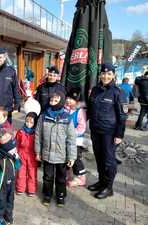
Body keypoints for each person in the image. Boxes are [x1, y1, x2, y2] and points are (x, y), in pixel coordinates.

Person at [87, 63, 128, 199]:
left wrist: (119, 134)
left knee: (109, 161)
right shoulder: (95, 90)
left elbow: (122, 116)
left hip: (109, 133)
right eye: (103, 74)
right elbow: (90, 108)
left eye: (109, 74)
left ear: (113, 75)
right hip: (95, 130)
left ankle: (108, 187)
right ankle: (101, 182)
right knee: (99, 158)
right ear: (100, 75)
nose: (105, 76)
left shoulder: (118, 92)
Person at [35, 91, 77, 207]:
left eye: (56, 101)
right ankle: (47, 194)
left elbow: (71, 139)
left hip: (61, 156)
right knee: (47, 176)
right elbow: (38, 135)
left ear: (62, 101)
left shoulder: (67, 118)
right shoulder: (43, 117)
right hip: (47, 154)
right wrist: (37, 152)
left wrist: (72, 157)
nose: (53, 103)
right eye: (51, 100)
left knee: (61, 177)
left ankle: (61, 195)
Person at [0, 127, 21, 225]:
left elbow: (18, 166)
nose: (14, 150)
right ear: (6, 150)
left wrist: (17, 158)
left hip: (11, 184)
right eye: (12, 149)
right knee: (0, 203)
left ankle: (8, 217)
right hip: (0, 186)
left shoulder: (13, 155)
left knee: (10, 202)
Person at [65, 88, 87, 187]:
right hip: (65, 139)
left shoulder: (80, 111)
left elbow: (82, 127)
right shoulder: (64, 109)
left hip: (76, 140)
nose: (69, 100)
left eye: (72, 99)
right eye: (68, 98)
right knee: (67, 157)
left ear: (77, 101)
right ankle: (68, 175)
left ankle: (81, 178)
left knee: (76, 158)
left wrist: (72, 133)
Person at [15, 112, 38, 197]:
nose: (28, 124)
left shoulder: (36, 133)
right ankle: (20, 187)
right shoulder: (21, 132)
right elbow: (16, 143)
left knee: (32, 173)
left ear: (35, 123)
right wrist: (16, 153)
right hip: (21, 154)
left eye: (31, 122)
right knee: (21, 172)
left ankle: (31, 189)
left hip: (32, 155)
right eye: (27, 121)